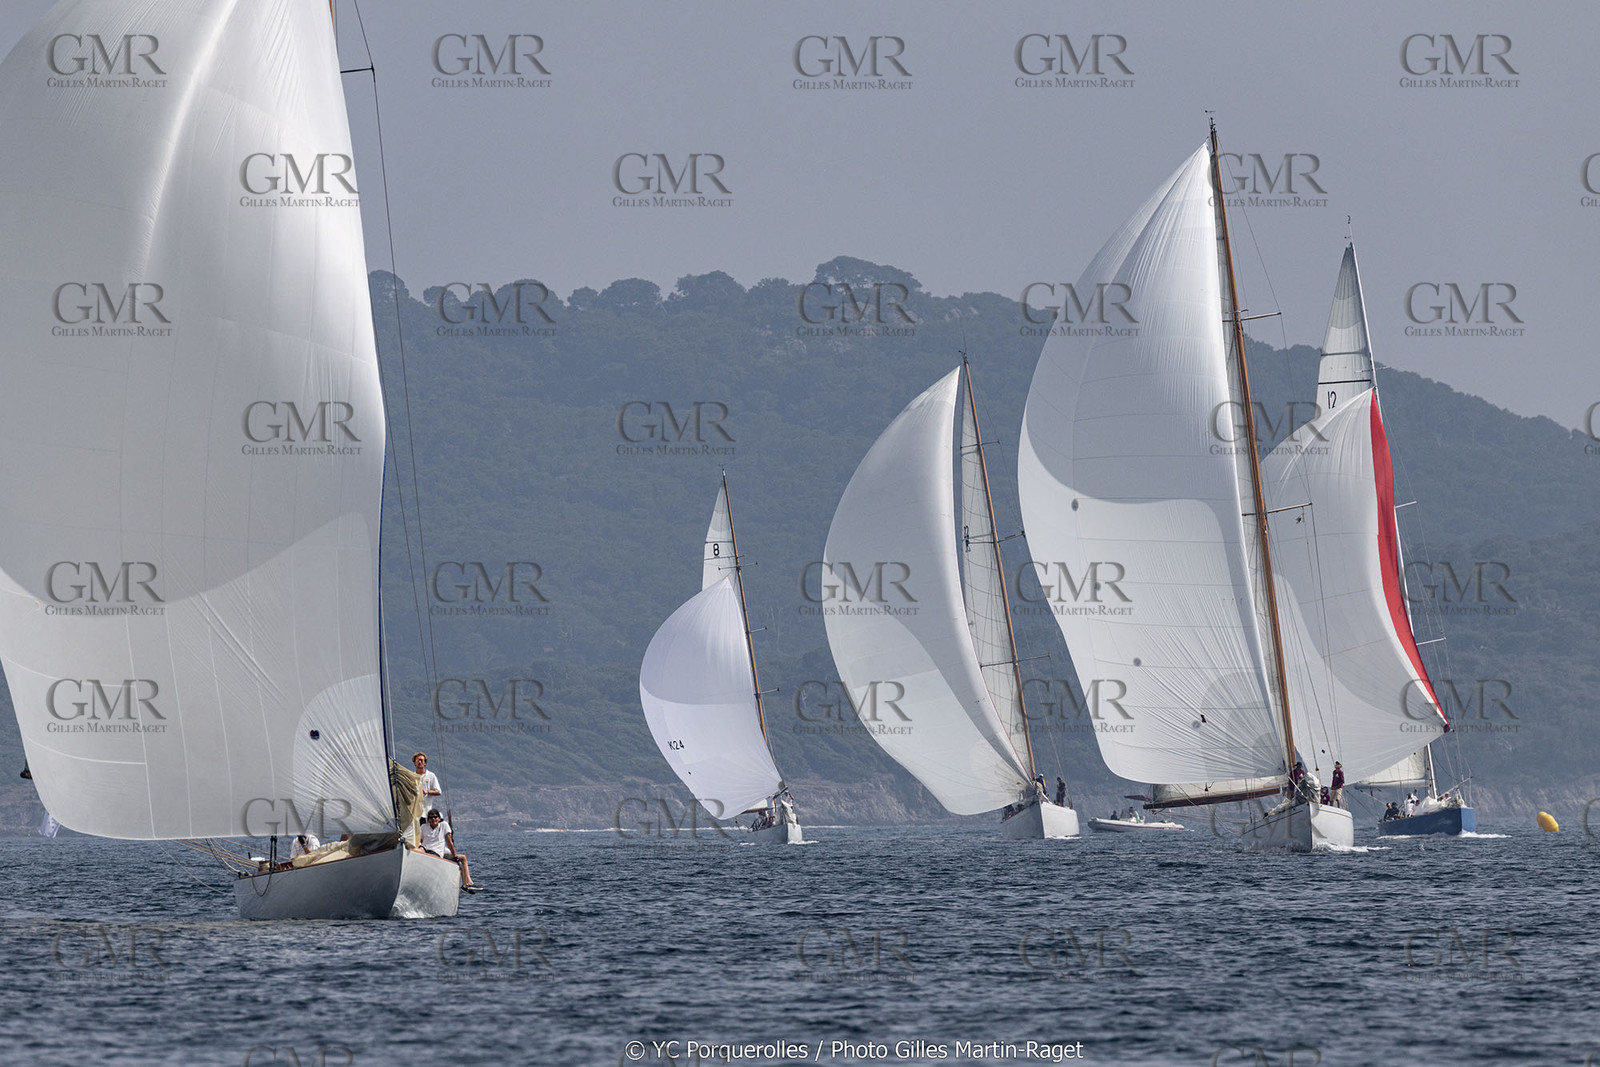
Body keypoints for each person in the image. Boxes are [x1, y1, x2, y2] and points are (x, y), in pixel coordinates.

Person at [416, 809, 477, 891]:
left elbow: (449, 842)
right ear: (428, 819)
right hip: (425, 849)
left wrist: (455, 856)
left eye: (435, 817)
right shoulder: (423, 827)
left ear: (439, 818)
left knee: (463, 858)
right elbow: (421, 841)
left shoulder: (444, 825)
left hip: (437, 853)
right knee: (420, 850)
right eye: (430, 817)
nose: (433, 819)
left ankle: (467, 883)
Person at [413, 752, 442, 818]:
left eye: (421, 760)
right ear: (414, 762)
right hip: (415, 813)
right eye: (418, 760)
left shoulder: (431, 776)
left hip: (426, 812)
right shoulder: (412, 776)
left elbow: (438, 791)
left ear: (425, 763)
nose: (419, 762)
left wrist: (428, 792)